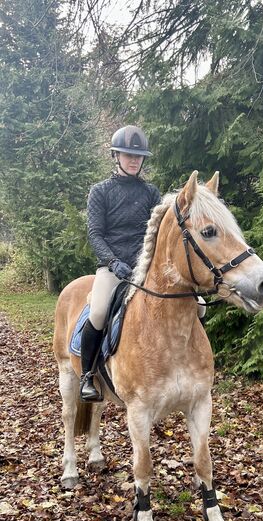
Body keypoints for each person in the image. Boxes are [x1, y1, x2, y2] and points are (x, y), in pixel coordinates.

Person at [80, 125, 161, 402]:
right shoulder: (100, 191)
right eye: (128, 155)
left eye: (138, 156)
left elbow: (157, 231)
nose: (134, 160)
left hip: (144, 265)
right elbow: (95, 234)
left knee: (195, 304)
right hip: (112, 267)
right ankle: (87, 376)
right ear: (116, 156)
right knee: (99, 311)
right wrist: (112, 262)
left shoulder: (151, 192)